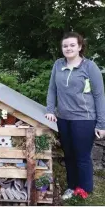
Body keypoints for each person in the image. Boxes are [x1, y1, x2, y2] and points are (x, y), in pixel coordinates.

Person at [45, 32, 105, 200]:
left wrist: (101, 124)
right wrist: (50, 110)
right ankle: (71, 187)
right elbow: (52, 89)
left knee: (82, 156)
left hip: (84, 119)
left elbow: (99, 95)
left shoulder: (89, 67)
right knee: (69, 154)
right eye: (65, 46)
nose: (68, 48)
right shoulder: (58, 64)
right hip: (63, 118)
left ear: (79, 46)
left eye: (72, 45)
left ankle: (84, 190)